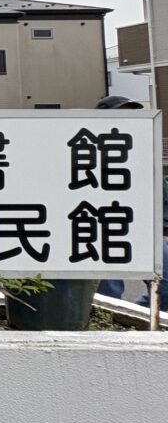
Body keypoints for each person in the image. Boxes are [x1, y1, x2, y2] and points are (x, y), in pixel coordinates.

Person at [92, 96, 167, 307]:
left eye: (132, 113)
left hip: (141, 226)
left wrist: (164, 227)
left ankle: (137, 314)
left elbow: (157, 190)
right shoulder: (85, 149)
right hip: (102, 227)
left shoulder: (141, 148)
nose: (128, 118)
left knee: (166, 283)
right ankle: (115, 325)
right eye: (121, 113)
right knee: (108, 293)